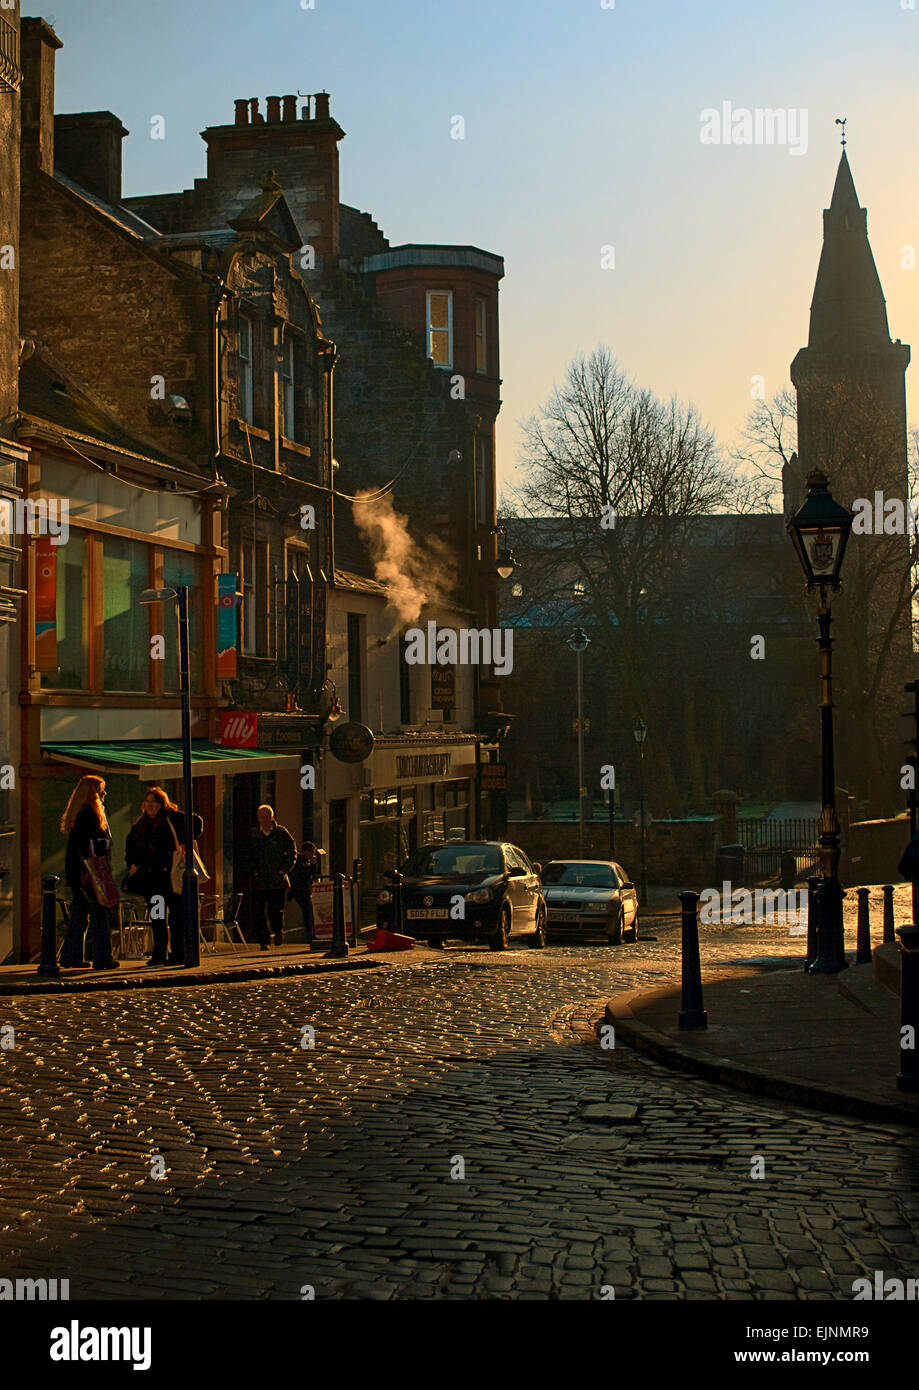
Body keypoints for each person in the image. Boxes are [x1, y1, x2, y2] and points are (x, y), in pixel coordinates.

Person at [124, 786, 204, 966]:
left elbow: (197, 822)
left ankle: (177, 953)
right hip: (153, 882)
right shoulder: (141, 825)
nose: (150, 806)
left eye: (154, 802)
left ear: (162, 804)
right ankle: (159, 953)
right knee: (158, 917)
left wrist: (184, 840)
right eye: (148, 802)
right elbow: (132, 847)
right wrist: (133, 864)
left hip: (172, 878)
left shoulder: (172, 818)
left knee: (176, 917)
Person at [59, 775, 118, 970]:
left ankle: (71, 956)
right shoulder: (90, 815)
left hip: (79, 873)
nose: (104, 794)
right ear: (93, 792)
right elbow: (90, 846)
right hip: (90, 873)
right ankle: (102, 958)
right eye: (101, 790)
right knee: (100, 915)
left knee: (79, 916)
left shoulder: (78, 814)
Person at [244, 805, 296, 949]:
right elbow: (246, 855)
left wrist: (283, 871)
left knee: (276, 911)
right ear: (258, 818)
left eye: (268, 816)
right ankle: (264, 941)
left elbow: (292, 852)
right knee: (258, 912)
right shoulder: (253, 834)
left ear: (272, 817)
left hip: (277, 881)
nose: (265, 820)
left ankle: (278, 931)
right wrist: (253, 871)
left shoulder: (281, 832)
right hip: (259, 881)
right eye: (262, 817)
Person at [289, 841, 321, 941]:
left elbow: (312, 873)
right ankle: (310, 933)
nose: (313, 855)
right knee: (307, 910)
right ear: (306, 851)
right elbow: (303, 874)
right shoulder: (298, 860)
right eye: (311, 852)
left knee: (308, 910)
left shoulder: (306, 860)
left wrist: (313, 865)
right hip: (299, 888)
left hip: (303, 888)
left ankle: (310, 932)